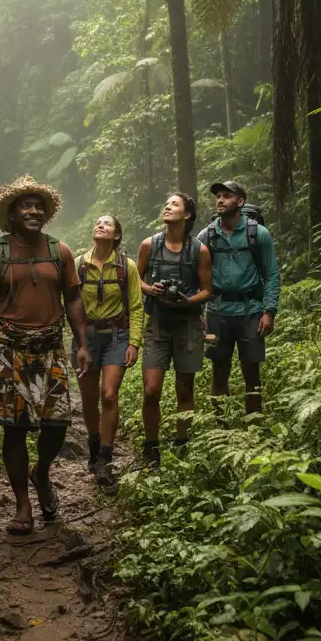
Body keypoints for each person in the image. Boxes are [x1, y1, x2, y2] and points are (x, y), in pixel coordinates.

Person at [0, 175, 91, 535]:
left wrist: (82, 344)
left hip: (50, 349)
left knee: (57, 425)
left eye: (39, 206)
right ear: (12, 214)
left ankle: (42, 473)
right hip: (9, 350)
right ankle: (22, 504)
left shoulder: (59, 251)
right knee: (14, 431)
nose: (34, 211)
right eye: (26, 206)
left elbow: (74, 299)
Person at [136, 192, 212, 467]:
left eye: (174, 204)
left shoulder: (198, 250)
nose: (167, 207)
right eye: (166, 203)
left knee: (184, 389)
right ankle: (151, 446)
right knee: (151, 390)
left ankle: (182, 444)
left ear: (187, 215)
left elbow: (207, 290)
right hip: (157, 323)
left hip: (188, 325)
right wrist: (150, 289)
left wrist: (187, 301)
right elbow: (136, 279)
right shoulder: (150, 245)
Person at [197, 181, 280, 415]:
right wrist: (199, 313)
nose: (220, 200)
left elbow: (271, 274)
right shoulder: (207, 236)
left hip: (251, 312)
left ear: (240, 202)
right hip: (216, 313)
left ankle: (253, 424)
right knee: (219, 369)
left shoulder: (258, 234)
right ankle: (220, 428)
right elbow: (197, 278)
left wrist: (269, 311)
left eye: (227, 196)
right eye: (218, 196)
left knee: (251, 372)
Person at [74, 213, 144, 493]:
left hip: (117, 335)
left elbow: (136, 306)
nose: (100, 225)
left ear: (116, 235)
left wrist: (134, 342)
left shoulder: (126, 267)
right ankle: (93, 443)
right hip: (86, 338)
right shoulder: (79, 264)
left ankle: (105, 456)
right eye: (98, 223)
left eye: (107, 224)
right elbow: (70, 304)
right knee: (89, 400)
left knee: (109, 395)